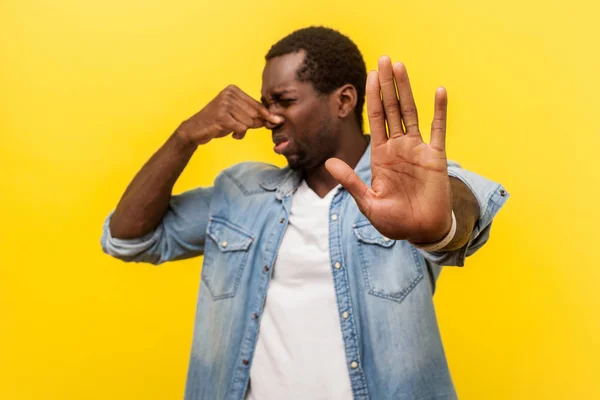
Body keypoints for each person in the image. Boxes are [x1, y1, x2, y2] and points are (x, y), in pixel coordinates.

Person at [101, 26, 508, 400]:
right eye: (265, 103)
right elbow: (128, 238)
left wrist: (440, 228)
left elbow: (461, 214)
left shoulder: (405, 183)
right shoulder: (241, 192)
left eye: (285, 101)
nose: (270, 118)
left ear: (344, 100)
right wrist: (184, 136)